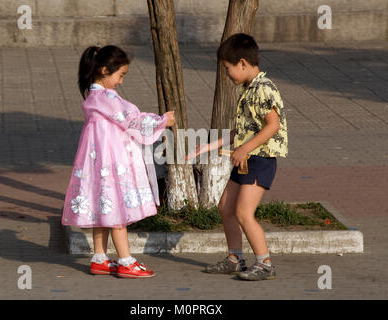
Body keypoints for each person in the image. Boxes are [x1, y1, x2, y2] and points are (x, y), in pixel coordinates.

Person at [62, 45, 175, 278]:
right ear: (104, 70)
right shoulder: (107, 98)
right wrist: (163, 120)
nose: (121, 81)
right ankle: (125, 261)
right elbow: (132, 119)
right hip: (111, 162)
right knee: (118, 211)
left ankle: (100, 258)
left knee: (103, 207)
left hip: (97, 162)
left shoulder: (94, 97)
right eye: (120, 75)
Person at [186, 34, 288, 280]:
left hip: (259, 159)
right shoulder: (249, 89)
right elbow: (242, 131)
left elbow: (272, 125)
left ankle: (264, 264)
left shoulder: (264, 88)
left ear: (242, 63)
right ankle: (234, 259)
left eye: (228, 68)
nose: (227, 73)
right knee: (226, 208)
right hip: (245, 159)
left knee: (243, 213)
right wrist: (211, 145)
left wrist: (244, 149)